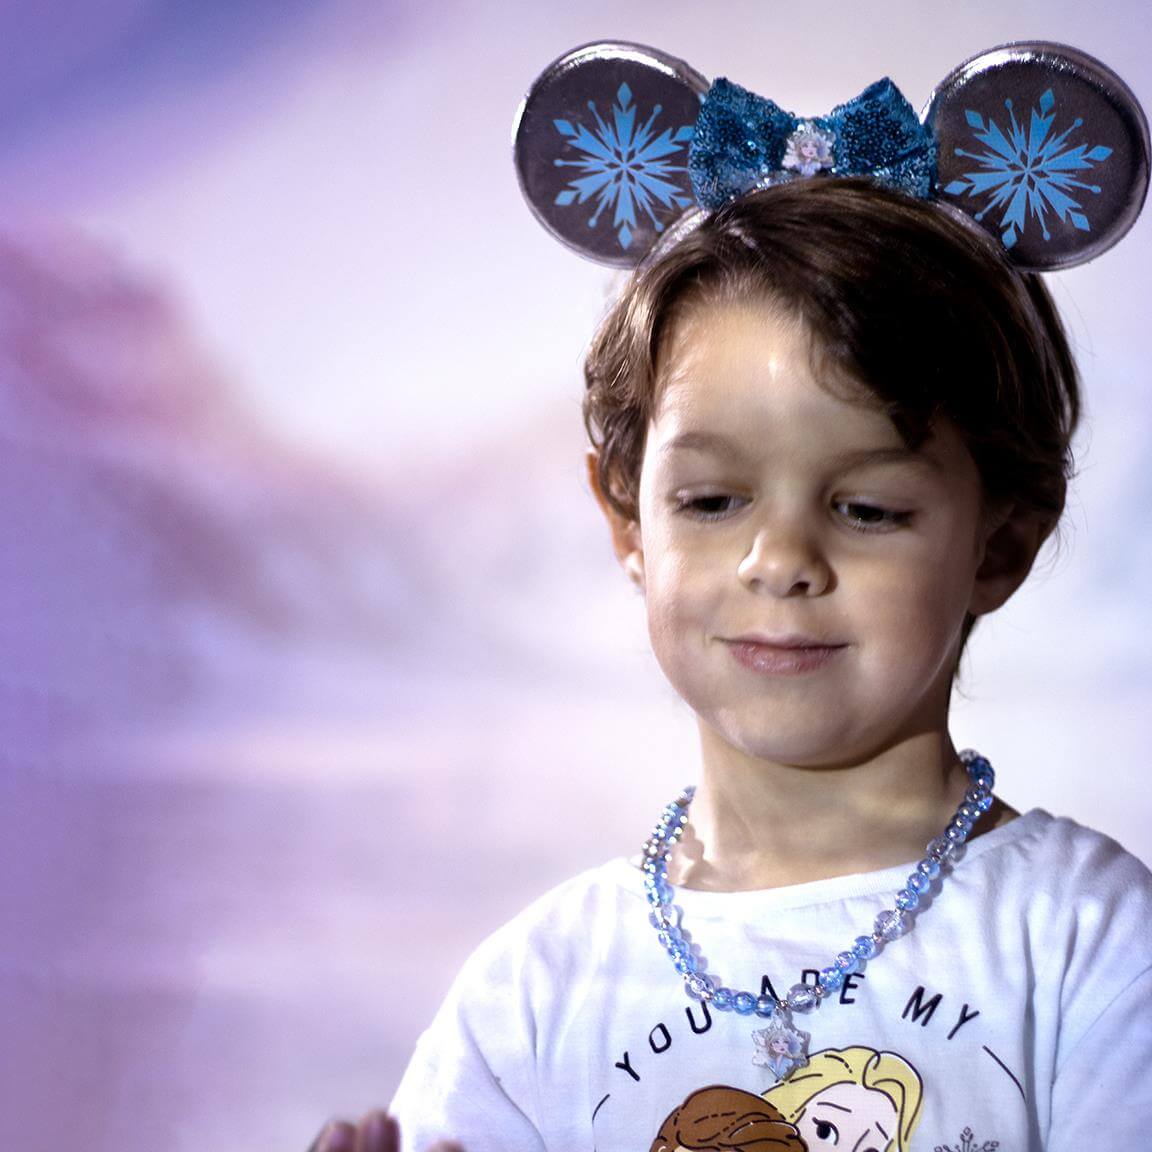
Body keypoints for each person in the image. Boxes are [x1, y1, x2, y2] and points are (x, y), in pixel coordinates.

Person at [314, 178, 1152, 1151]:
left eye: (869, 508)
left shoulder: (1089, 947)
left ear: (999, 543)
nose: (781, 562)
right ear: (628, 518)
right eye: (713, 501)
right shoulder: (533, 996)